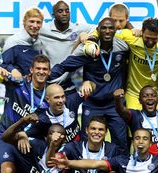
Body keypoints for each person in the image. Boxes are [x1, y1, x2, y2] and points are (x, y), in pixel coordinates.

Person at [49, 17, 129, 153]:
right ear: (98, 30)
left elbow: (127, 68)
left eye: (111, 28)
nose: (107, 31)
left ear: (116, 30)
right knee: (87, 143)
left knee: (121, 143)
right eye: (104, 28)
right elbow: (65, 66)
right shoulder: (87, 50)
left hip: (115, 104)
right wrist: (45, 79)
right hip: (92, 103)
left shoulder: (123, 47)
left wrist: (124, 88)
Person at [84, 17, 158, 109]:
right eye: (147, 37)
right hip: (133, 93)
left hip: (154, 92)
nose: (150, 41)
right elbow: (104, 32)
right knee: (133, 120)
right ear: (142, 31)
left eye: (154, 38)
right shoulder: (131, 36)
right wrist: (91, 40)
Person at [40, 1, 94, 90]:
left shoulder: (78, 28)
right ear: (53, 14)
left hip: (72, 85)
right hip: (50, 82)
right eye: (60, 11)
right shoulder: (44, 30)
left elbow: (98, 28)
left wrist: (84, 34)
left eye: (67, 11)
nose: (64, 14)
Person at [1, 7, 45, 80]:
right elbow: (2, 64)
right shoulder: (13, 41)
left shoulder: (42, 41)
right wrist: (12, 70)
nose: (35, 25)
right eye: (31, 21)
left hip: (37, 87)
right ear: (24, 22)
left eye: (38, 22)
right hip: (17, 88)